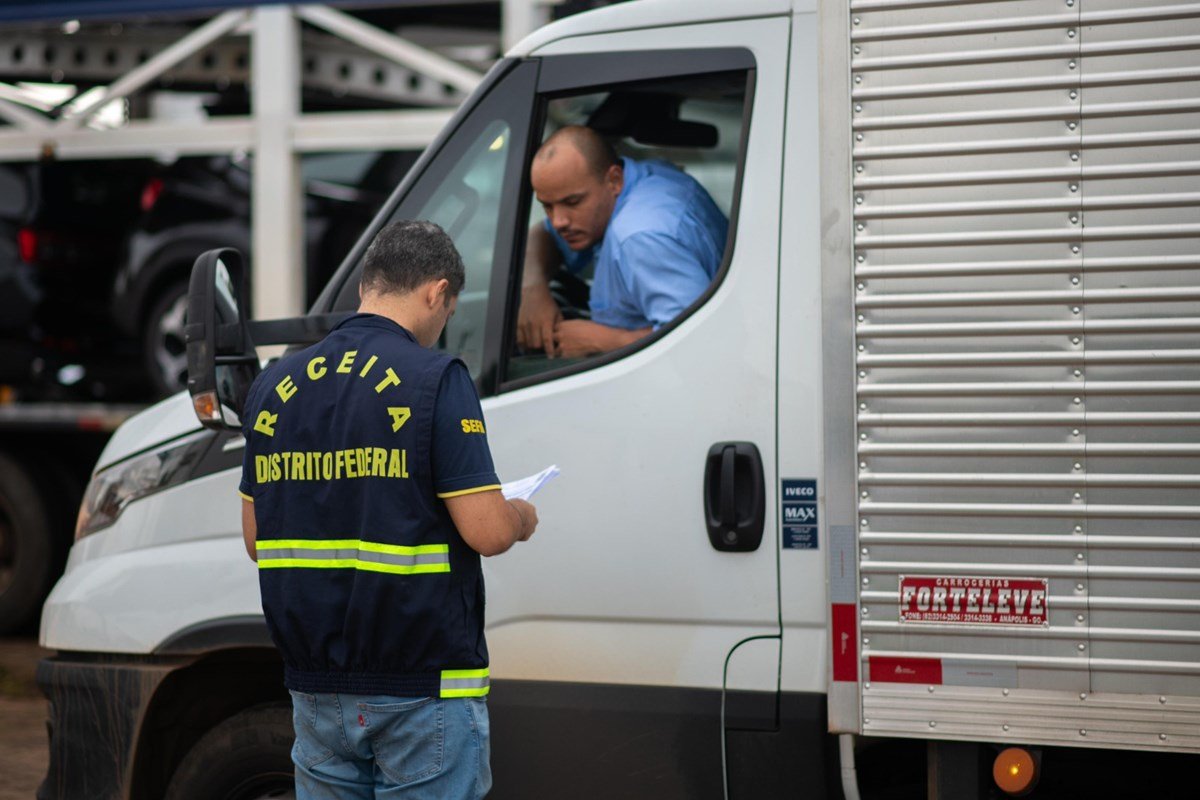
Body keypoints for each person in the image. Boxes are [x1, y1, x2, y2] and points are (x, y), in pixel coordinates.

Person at [239, 219, 538, 799]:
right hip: (421, 686)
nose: (443, 323)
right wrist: (521, 514)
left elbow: (257, 538)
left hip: (316, 687)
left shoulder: (275, 384)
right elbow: (488, 531)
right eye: (448, 308)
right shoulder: (436, 378)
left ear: (364, 289)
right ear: (437, 292)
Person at [517, 125, 728, 358]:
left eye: (572, 202)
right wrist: (532, 287)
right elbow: (543, 235)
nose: (558, 221)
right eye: (547, 205)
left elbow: (698, 341)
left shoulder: (639, 238)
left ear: (614, 180)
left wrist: (605, 341)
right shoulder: (642, 178)